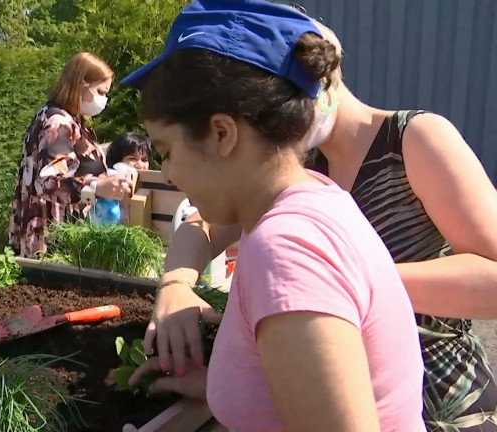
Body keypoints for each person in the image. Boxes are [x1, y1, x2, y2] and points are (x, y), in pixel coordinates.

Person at [147, 11, 497, 430]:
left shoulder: (413, 139)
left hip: (447, 394)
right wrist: (177, 285)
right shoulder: (302, 172)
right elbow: (202, 223)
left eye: (166, 153)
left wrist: (336, 288)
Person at [8, 52, 132, 257]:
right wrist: (96, 186)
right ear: (81, 85)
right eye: (100, 91)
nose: (104, 99)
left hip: (52, 234)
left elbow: (78, 159)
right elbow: (47, 182)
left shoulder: (63, 117)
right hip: (49, 240)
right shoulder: (58, 124)